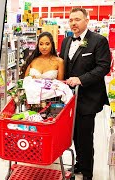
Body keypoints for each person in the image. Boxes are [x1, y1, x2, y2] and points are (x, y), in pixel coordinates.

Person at [60, 8, 111, 180]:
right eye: (70, 20)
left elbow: (103, 67)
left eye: (77, 19)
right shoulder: (66, 41)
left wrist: (81, 79)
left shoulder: (99, 41)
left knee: (85, 137)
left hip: (88, 99)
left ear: (87, 21)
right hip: (69, 99)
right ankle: (80, 164)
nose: (73, 23)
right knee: (73, 134)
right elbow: (63, 65)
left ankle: (88, 173)